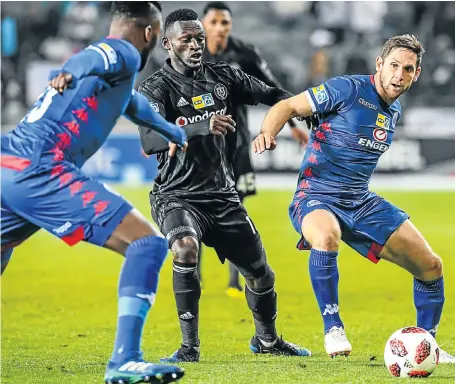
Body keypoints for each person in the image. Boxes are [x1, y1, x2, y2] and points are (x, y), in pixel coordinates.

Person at [1, 2, 190, 383]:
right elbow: (91, 57)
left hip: (8, 166)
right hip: (42, 168)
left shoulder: (116, 80)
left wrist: (174, 132)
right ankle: (125, 359)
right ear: (150, 34)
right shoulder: (119, 51)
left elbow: (134, 106)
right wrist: (66, 73)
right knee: (147, 245)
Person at [252, 34, 455, 364]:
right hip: (316, 196)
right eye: (394, 66)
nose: (399, 75)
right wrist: (268, 131)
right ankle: (332, 327)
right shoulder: (348, 89)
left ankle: (428, 348)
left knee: (431, 266)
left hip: (360, 201)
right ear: (379, 65)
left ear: (416, 74)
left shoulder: (393, 110)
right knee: (326, 237)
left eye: (407, 69)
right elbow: (288, 106)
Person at [138, 8, 311, 363]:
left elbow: (271, 93)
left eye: (199, 38)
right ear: (168, 43)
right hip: (176, 195)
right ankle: (189, 348)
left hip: (221, 195)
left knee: (261, 275)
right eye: (187, 39)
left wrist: (311, 107)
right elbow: (149, 140)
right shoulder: (155, 88)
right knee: (185, 249)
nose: (196, 45)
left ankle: (267, 340)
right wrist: (201, 127)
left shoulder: (224, 76)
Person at [200, 1, 309, 297]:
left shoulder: (243, 54)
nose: (220, 28)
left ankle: (234, 282)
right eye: (215, 22)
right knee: (192, 205)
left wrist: (294, 123)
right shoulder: (192, 53)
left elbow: (271, 87)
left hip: (235, 144)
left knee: (235, 209)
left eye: (225, 23)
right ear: (203, 24)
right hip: (199, 145)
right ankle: (194, 279)